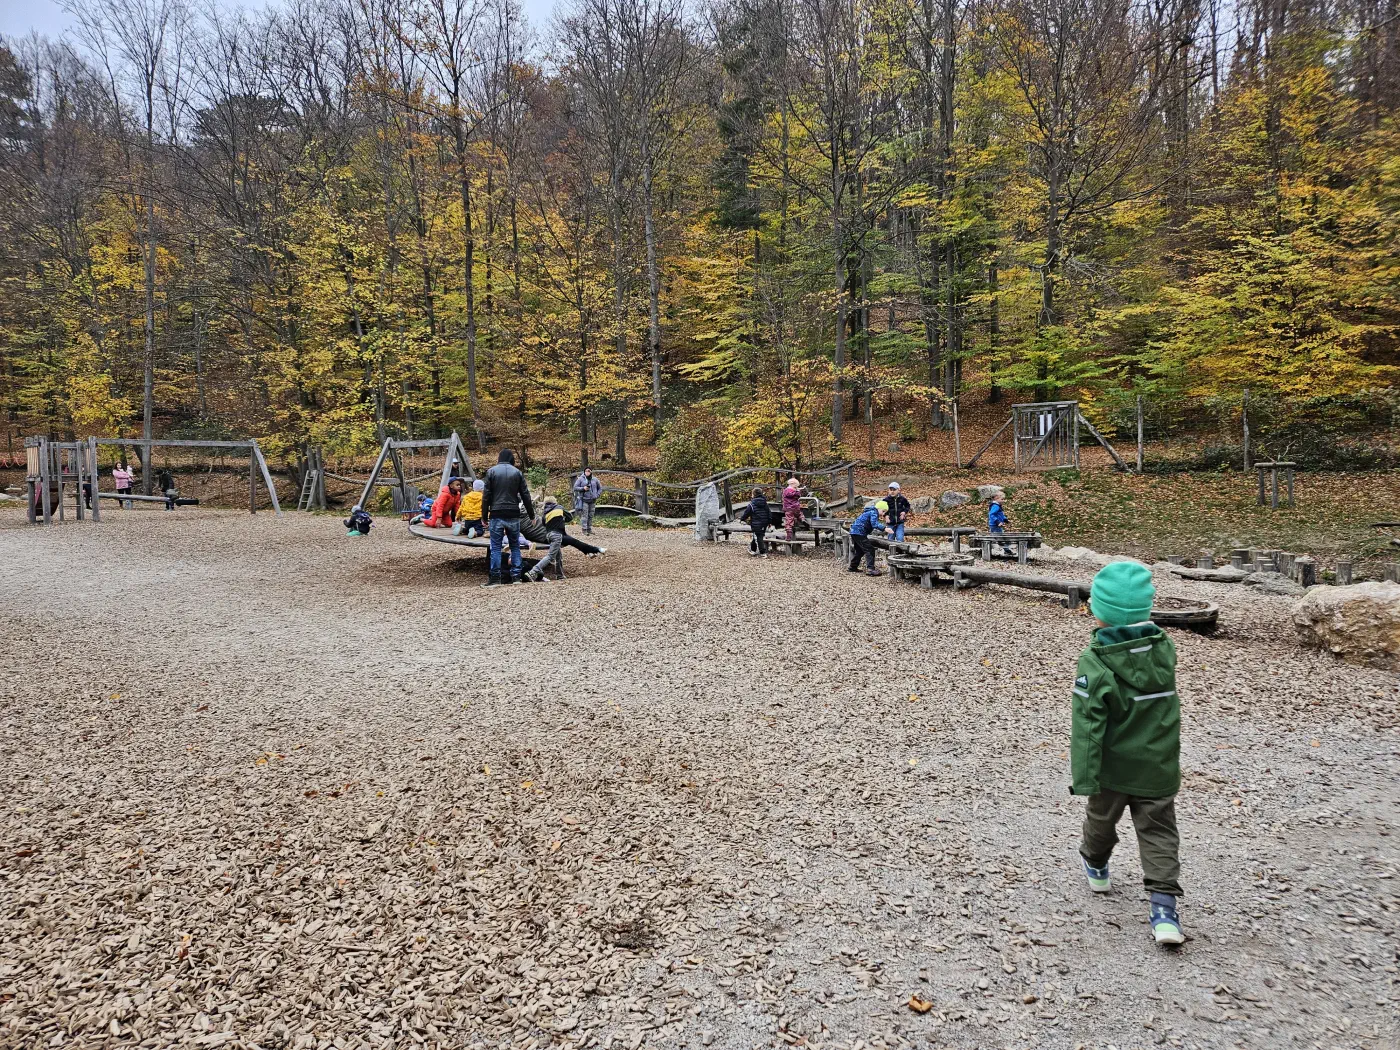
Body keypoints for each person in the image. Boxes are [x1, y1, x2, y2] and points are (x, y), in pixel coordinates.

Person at [1071, 561, 1185, 947]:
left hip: (1114, 766)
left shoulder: (1096, 663)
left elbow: (1087, 727)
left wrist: (1085, 777)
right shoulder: (1163, 650)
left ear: (1097, 611)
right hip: (1158, 763)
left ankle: (1096, 864)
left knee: (1101, 818)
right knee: (1159, 830)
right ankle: (1164, 909)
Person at [482, 447, 535, 587]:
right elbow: (526, 495)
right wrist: (531, 515)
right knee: (515, 546)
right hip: (513, 514)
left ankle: (495, 579)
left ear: (499, 458)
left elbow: (486, 496)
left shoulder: (491, 472)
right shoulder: (517, 473)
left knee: (496, 547)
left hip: (496, 513)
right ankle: (516, 577)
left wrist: (483, 516)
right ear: (512, 459)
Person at [525, 498, 575, 582]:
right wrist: (561, 520)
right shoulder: (559, 508)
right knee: (551, 556)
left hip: (548, 535)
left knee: (558, 555)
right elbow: (570, 517)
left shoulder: (545, 511)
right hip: (557, 534)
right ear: (555, 502)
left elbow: (543, 523)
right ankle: (533, 572)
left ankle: (559, 575)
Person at [846, 500, 887, 576]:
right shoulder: (874, 513)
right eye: (883, 511)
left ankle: (852, 567)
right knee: (870, 549)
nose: (883, 514)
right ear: (879, 508)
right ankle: (870, 569)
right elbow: (874, 524)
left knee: (860, 550)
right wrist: (884, 528)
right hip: (859, 533)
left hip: (854, 532)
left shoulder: (870, 512)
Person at [740, 487, 773, 557]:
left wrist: (742, 519)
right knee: (757, 535)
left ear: (754, 495)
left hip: (756, 523)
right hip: (764, 523)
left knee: (759, 537)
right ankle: (753, 550)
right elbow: (769, 513)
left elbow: (747, 513)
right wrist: (769, 522)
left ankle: (762, 552)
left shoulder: (752, 504)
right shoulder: (765, 503)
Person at [572, 468, 602, 535]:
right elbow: (575, 487)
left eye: (589, 471)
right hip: (584, 500)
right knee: (584, 515)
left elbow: (600, 488)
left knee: (591, 515)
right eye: (586, 471)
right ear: (584, 471)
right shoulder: (580, 479)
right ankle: (584, 529)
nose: (587, 472)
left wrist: (597, 495)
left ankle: (589, 529)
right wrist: (583, 488)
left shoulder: (595, 479)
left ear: (591, 472)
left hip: (593, 500)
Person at [988, 489, 1015, 556]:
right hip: (995, 525)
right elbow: (991, 514)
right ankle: (1007, 550)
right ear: (996, 498)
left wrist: (1005, 520)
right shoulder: (995, 506)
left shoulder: (997, 506)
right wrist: (997, 522)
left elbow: (1000, 515)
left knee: (998, 537)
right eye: (1002, 499)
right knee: (1001, 538)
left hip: (996, 525)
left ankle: (1006, 550)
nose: (1004, 501)